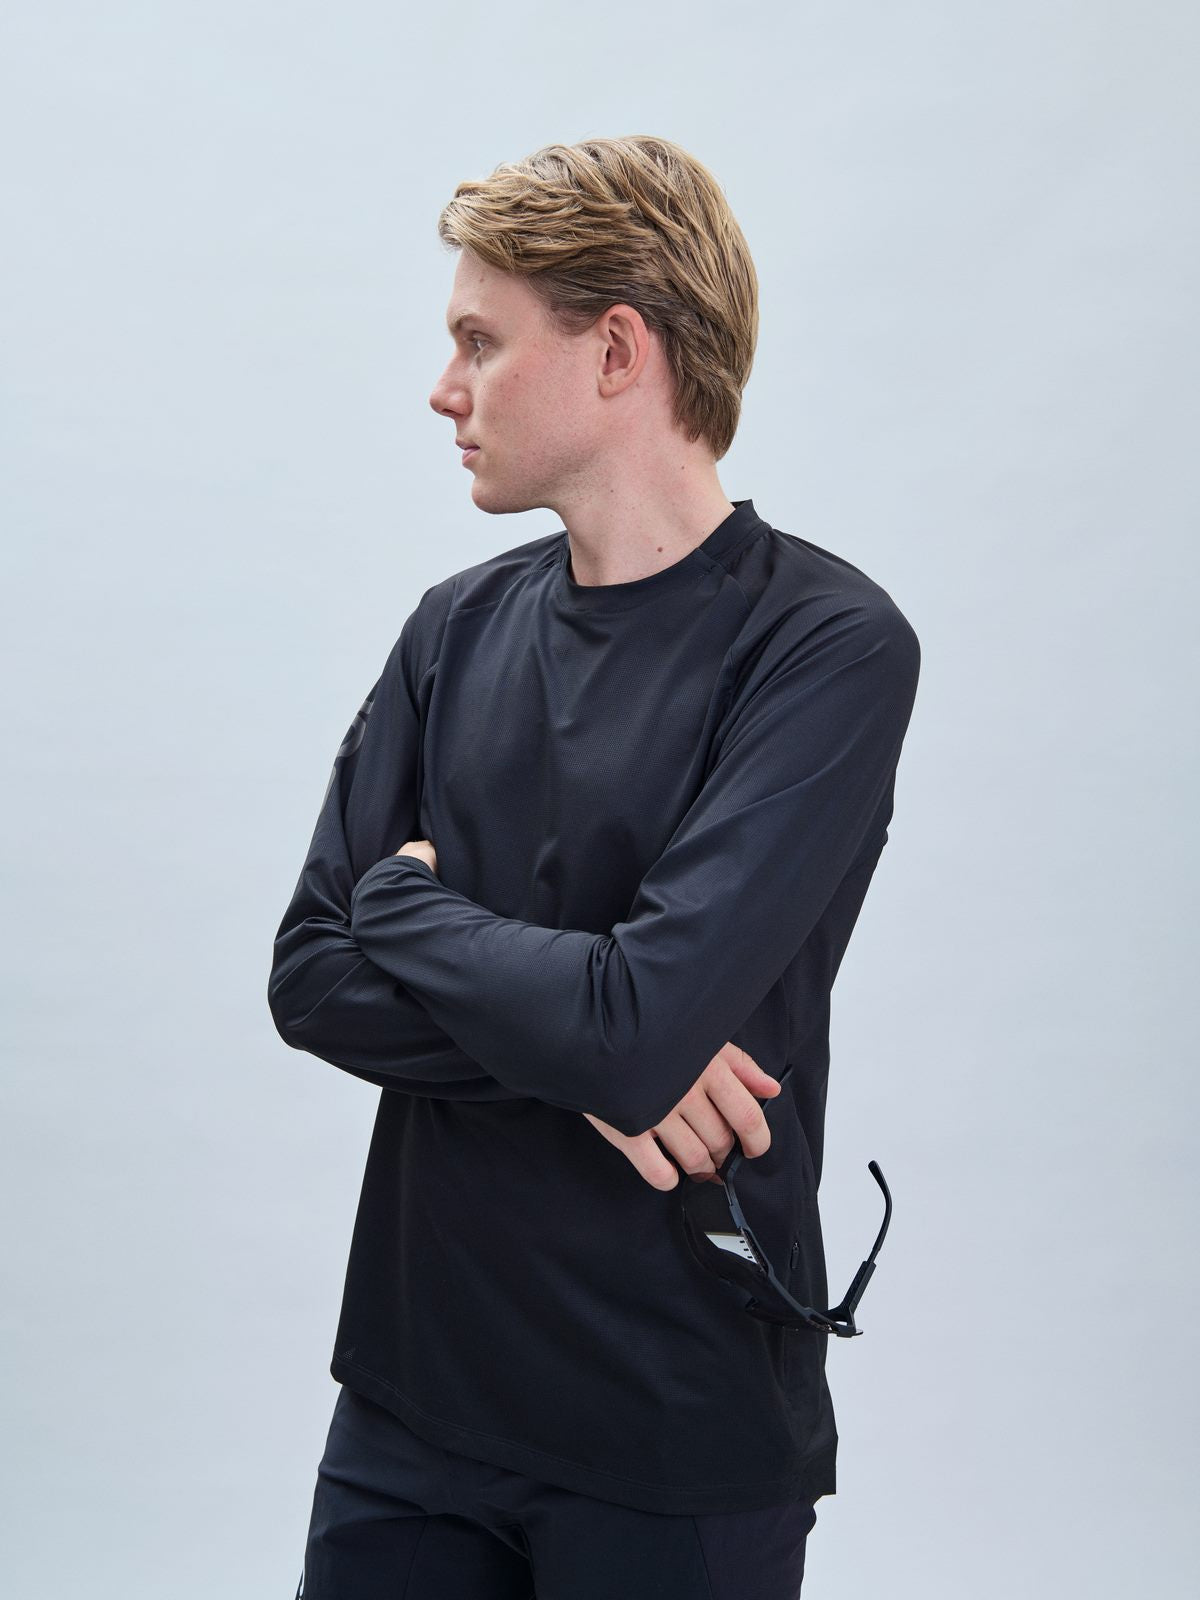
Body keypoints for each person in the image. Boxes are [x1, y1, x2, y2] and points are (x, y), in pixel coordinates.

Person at [269, 133, 921, 1599]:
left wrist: (405, 902)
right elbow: (309, 979)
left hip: (672, 1431)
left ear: (618, 351)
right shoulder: (452, 628)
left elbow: (632, 1024)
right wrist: (596, 1061)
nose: (445, 389)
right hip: (411, 1403)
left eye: (480, 343)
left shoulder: (826, 648)